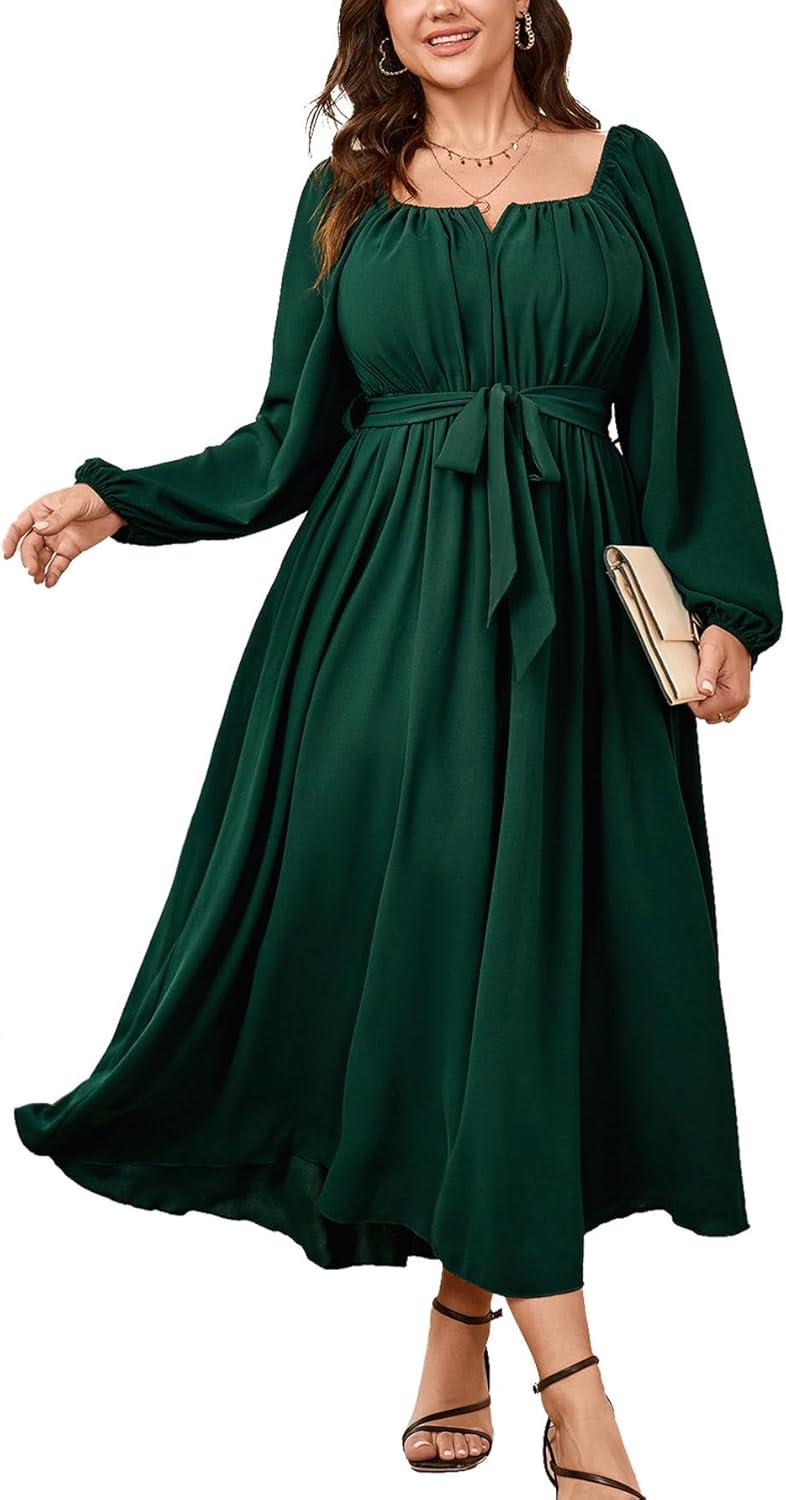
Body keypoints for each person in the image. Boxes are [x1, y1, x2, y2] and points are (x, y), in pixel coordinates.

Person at [7, 3, 782, 1493]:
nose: (440, 3)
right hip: (377, 623)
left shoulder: (625, 172)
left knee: (528, 971)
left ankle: (456, 1319)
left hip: (579, 629)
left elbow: (691, 413)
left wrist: (728, 614)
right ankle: (576, 1384)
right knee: (454, 955)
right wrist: (121, 499)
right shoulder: (345, 195)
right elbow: (289, 437)